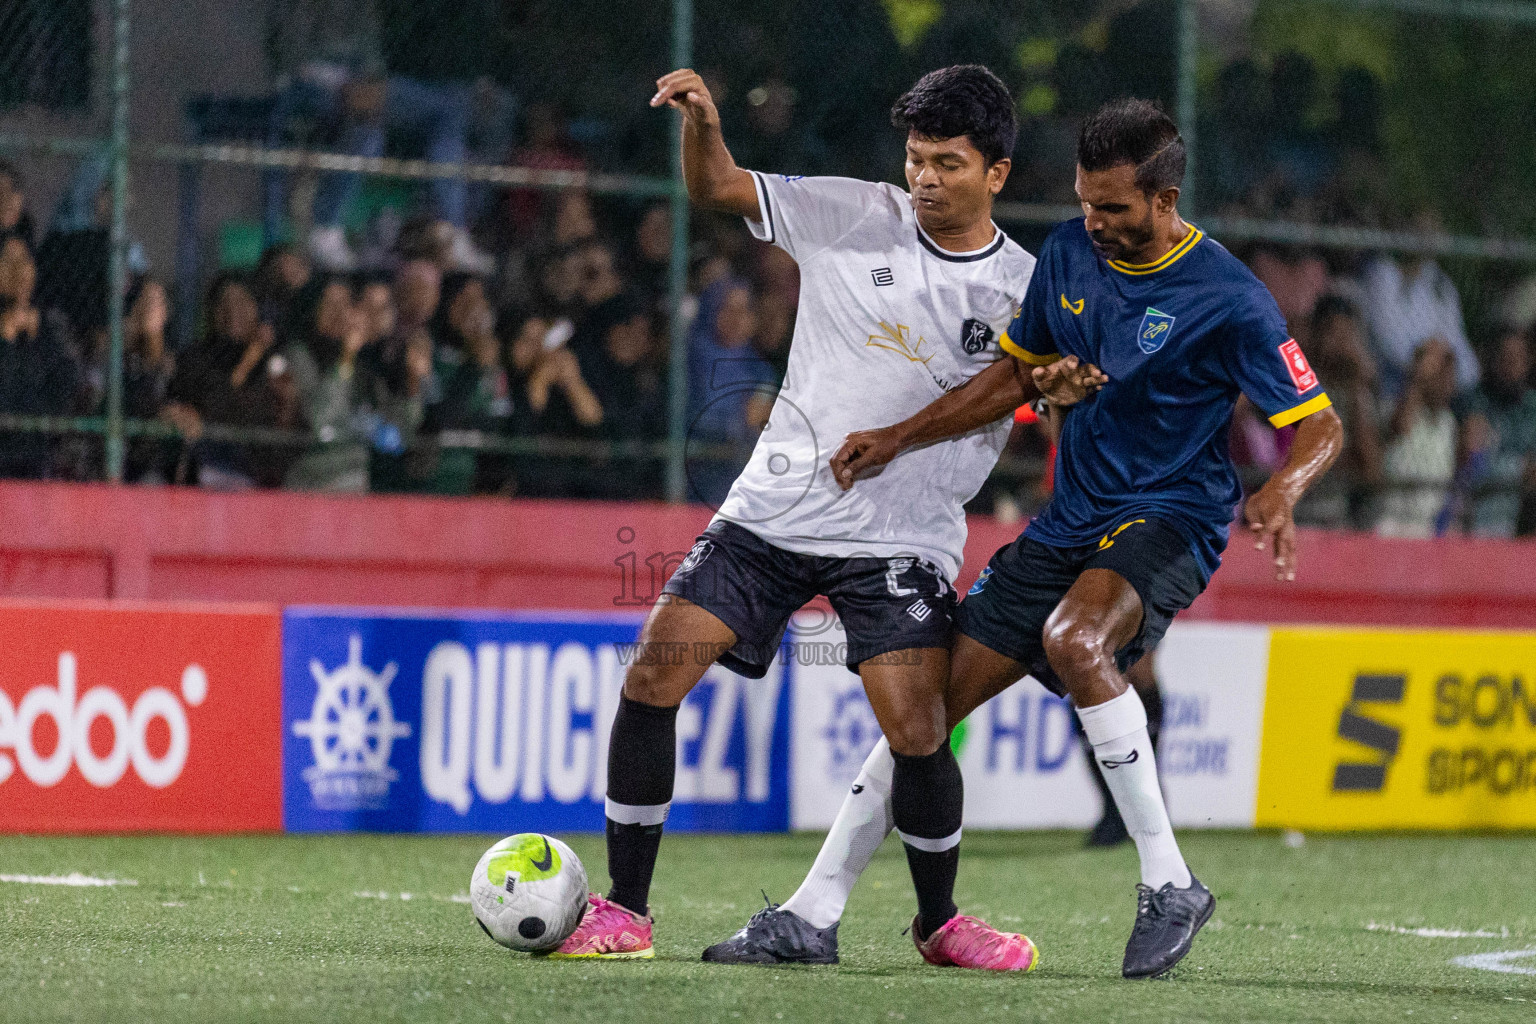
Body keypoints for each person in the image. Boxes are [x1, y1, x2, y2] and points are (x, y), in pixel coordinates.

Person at [749, 99, 1343, 980]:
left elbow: (1320, 423)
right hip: (1071, 520)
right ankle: (811, 911)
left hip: (1173, 516)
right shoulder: (1068, 252)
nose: (1093, 223)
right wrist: (904, 435)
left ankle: (1169, 882)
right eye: (1085, 201)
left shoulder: (1229, 298)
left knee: (1076, 638)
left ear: (1164, 196)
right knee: (924, 713)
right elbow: (1016, 377)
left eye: (1114, 209)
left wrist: (1285, 487)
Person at [555, 65, 1065, 971]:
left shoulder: (1026, 289)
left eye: (948, 162)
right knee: (651, 677)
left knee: (917, 729)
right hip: (770, 516)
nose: (925, 179)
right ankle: (625, 909)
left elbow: (1032, 393)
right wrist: (704, 123)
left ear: (998, 173)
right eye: (915, 159)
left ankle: (939, 924)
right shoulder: (853, 211)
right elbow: (716, 186)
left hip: (898, 541)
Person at [161, 273, 296, 489]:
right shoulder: (196, 357)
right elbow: (213, 407)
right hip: (204, 470)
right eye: (224, 303)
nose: (233, 311)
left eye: (243, 302)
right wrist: (248, 361)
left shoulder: (275, 361)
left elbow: (280, 420)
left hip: (258, 474)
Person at [0, 236, 81, 479]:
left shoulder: (48, 322)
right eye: (9, 261)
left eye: (24, 261)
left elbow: (66, 383)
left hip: (38, 446)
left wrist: (38, 339)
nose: (19, 270)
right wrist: (6, 341)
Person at [1377, 338, 1458, 537]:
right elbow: (1401, 426)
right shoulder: (1397, 408)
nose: (1446, 383)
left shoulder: (1449, 422)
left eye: (1449, 375)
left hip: (1427, 526)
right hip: (1389, 522)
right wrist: (1419, 378)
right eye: (1439, 374)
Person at [1461, 331, 1536, 537]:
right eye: (1505, 357)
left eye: (1517, 359)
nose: (1510, 366)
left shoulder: (1532, 407)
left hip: (1514, 517)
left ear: (1528, 363)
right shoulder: (1475, 399)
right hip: (1471, 515)